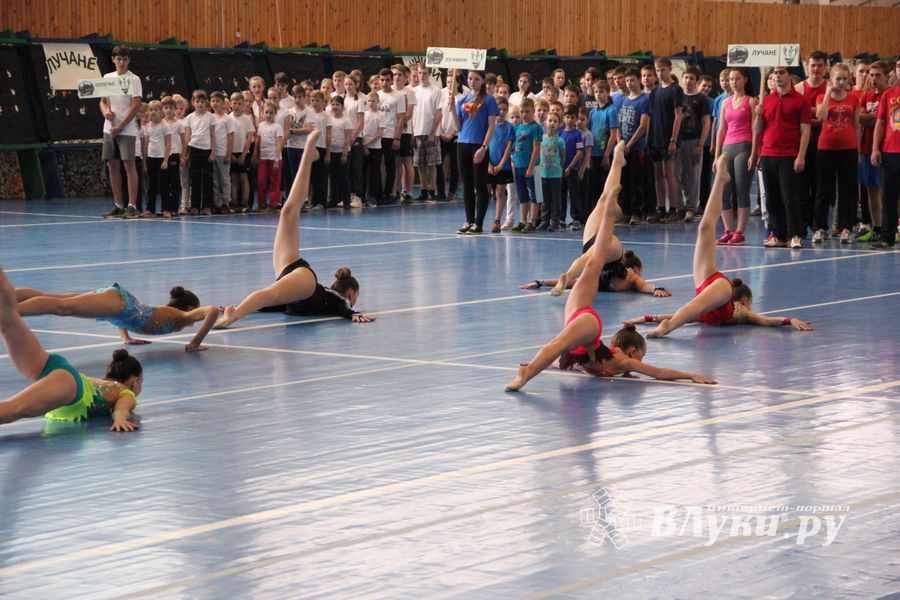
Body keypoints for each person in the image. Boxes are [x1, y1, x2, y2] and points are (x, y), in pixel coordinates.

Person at [505, 142, 715, 391]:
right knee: (594, 256)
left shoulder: (617, 354)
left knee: (592, 263)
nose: (641, 361)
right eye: (641, 356)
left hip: (580, 306)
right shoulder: (621, 358)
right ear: (632, 350)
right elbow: (657, 372)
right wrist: (690, 375)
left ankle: (613, 185)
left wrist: (542, 361)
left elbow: (565, 361)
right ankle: (614, 184)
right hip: (596, 288)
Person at [625, 153, 814, 337]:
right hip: (719, 285)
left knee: (704, 228)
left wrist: (645, 318)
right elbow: (764, 320)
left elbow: (682, 314)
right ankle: (667, 328)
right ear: (745, 300)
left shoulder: (709, 311)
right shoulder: (739, 310)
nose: (750, 308)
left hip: (705, 284)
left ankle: (720, 179)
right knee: (694, 303)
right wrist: (790, 320)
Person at [215, 131, 375, 328]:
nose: (353, 301)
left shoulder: (317, 299)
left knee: (288, 211)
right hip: (304, 279)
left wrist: (243, 305)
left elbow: (273, 304)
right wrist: (354, 313)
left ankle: (307, 158)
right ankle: (234, 316)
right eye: (355, 298)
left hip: (289, 271)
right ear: (351, 292)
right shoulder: (330, 295)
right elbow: (343, 304)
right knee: (269, 293)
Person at [0, 268, 141, 430]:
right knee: (12, 409)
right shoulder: (126, 393)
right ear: (136, 380)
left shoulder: (103, 383)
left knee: (8, 319)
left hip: (56, 370)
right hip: (68, 385)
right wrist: (120, 420)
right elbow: (122, 409)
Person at [15, 282, 218, 351]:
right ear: (190, 307)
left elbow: (134, 315)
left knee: (55, 299)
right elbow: (213, 311)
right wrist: (195, 342)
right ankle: (8, 311)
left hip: (117, 306)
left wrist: (126, 337)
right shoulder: (181, 317)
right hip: (118, 305)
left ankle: (8, 296)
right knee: (61, 307)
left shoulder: (170, 314)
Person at [756, 66, 811, 249]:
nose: (777, 76)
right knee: (771, 198)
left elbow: (805, 130)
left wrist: (801, 155)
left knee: (790, 196)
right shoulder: (765, 101)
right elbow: (758, 130)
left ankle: (795, 234)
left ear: (789, 76)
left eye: (781, 73)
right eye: (774, 74)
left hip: (789, 154)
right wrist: (757, 115)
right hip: (767, 153)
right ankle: (776, 234)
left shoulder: (800, 101)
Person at [813, 63, 860, 244]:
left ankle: (845, 227)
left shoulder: (854, 99)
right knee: (823, 190)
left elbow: (856, 125)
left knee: (848, 190)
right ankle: (820, 228)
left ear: (849, 80)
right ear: (831, 80)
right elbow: (821, 116)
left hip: (848, 148)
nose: (841, 82)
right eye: (837, 79)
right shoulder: (820, 97)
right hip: (826, 148)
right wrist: (827, 94)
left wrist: (856, 150)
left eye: (844, 79)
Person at [449, 70, 500, 234]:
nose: (472, 81)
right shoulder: (462, 100)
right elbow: (458, 127)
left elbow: (491, 126)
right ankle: (469, 220)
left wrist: (484, 147)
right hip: (462, 144)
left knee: (480, 184)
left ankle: (478, 223)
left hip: (479, 146)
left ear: (483, 80)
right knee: (467, 185)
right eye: (470, 78)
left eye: (476, 79)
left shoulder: (489, 100)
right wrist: (451, 109)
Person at [714, 68, 757, 246]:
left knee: (741, 190)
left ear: (745, 80)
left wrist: (754, 153)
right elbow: (721, 130)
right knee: (724, 191)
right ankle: (728, 230)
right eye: (731, 79)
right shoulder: (725, 102)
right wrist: (717, 155)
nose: (733, 82)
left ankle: (740, 231)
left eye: (737, 79)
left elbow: (756, 129)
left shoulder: (752, 101)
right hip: (727, 148)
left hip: (744, 147)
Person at [100, 46, 143, 219]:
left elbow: (135, 105)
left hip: (127, 129)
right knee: (112, 164)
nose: (122, 62)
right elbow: (103, 102)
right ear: (113, 59)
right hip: (109, 128)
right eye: (119, 59)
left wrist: (121, 125)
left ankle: (132, 205)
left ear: (128, 61)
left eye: (125, 59)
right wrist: (105, 113)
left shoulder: (134, 79)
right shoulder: (107, 78)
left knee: (129, 165)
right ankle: (118, 204)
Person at [869, 58, 900, 250]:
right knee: (889, 195)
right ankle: (888, 236)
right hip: (890, 152)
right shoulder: (889, 94)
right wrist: (875, 148)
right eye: (898, 67)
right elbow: (880, 123)